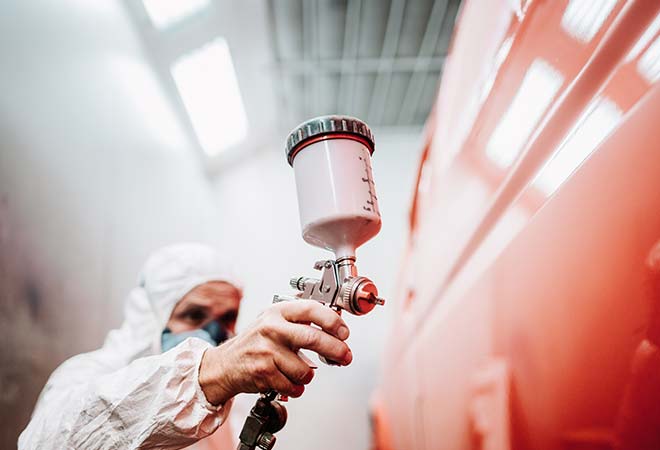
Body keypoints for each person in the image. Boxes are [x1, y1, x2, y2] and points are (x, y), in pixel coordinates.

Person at [18, 243, 352, 450]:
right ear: (153, 317)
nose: (213, 332)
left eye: (227, 318)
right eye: (194, 314)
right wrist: (211, 373)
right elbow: (47, 443)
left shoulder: (227, 406)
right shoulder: (89, 375)